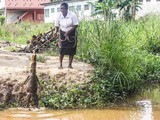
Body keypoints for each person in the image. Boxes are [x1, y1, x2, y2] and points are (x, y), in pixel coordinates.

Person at [55, 2, 79, 69]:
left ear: (67, 9)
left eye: (64, 9)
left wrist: (69, 32)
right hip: (62, 33)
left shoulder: (72, 14)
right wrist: (55, 32)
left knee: (71, 50)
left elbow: (75, 25)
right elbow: (56, 26)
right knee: (61, 50)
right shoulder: (59, 16)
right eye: (61, 9)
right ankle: (60, 65)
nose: (62, 10)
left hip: (71, 33)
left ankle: (70, 65)